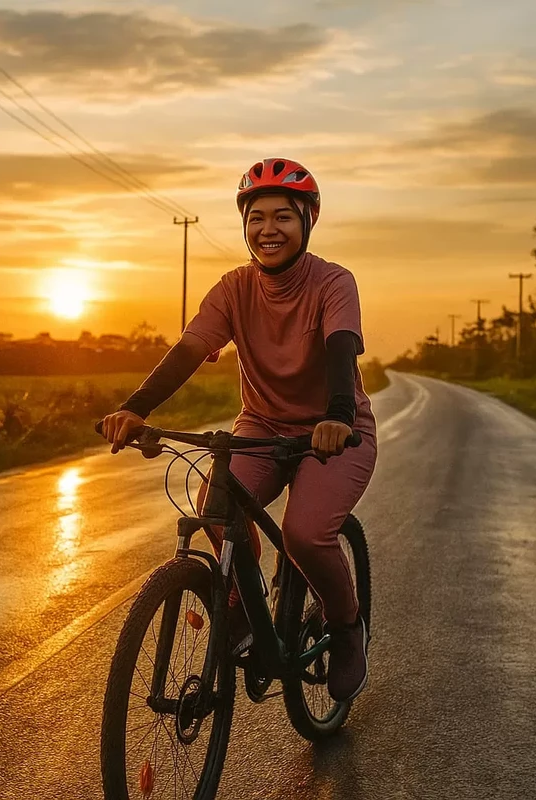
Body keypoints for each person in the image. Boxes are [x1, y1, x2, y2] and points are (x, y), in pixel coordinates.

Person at [98, 158, 378, 702]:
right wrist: (136, 408)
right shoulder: (233, 289)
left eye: (282, 218)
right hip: (262, 427)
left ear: (307, 222)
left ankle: (346, 628)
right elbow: (189, 349)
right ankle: (244, 610)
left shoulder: (334, 282)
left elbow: (341, 349)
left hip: (333, 435)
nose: (267, 230)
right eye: (256, 218)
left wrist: (338, 418)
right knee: (216, 508)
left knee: (303, 534)